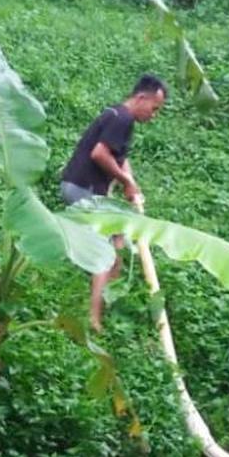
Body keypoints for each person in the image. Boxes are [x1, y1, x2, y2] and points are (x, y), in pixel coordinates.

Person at [59, 74, 167, 332]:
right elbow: (100, 154)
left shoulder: (119, 116)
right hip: (81, 189)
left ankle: (105, 305)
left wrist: (131, 183)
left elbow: (119, 158)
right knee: (105, 252)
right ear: (141, 98)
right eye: (154, 108)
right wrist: (125, 181)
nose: (154, 115)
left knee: (118, 243)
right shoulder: (124, 119)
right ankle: (94, 320)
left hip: (82, 187)